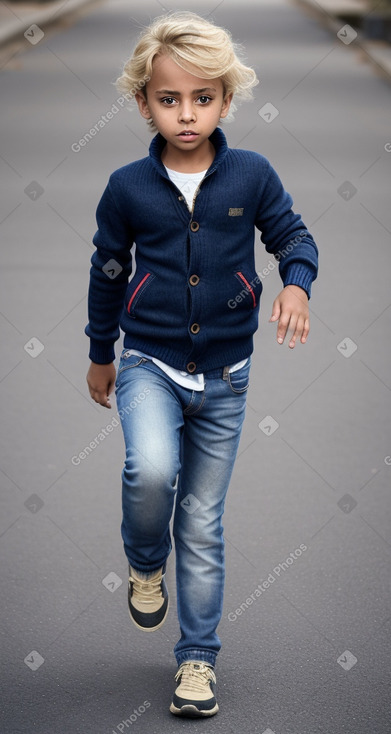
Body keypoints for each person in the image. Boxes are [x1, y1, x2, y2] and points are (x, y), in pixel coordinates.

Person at [85, 10, 318, 718]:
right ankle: (144, 564)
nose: (186, 115)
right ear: (142, 102)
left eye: (202, 98)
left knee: (203, 520)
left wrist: (296, 286)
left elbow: (291, 236)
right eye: (168, 99)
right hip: (148, 363)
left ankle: (196, 661)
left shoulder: (250, 174)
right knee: (150, 472)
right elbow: (106, 271)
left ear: (224, 99)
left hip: (225, 377)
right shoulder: (127, 187)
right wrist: (101, 355)